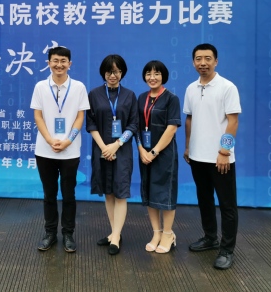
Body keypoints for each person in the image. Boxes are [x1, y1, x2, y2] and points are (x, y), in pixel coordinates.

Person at [183, 43, 241, 270]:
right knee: (204, 200)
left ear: (216, 61)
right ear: (193, 62)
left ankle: (227, 250)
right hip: (197, 157)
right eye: (198, 59)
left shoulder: (227, 87)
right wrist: (188, 147)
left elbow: (233, 121)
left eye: (208, 58)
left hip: (220, 158)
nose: (203, 63)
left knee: (227, 205)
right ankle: (210, 238)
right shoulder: (191, 88)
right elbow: (189, 119)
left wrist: (224, 152)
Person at [30, 46, 90, 253]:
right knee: (49, 194)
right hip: (44, 150)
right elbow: (38, 116)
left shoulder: (79, 87)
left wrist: (67, 141)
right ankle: (49, 233)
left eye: (63, 61)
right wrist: (49, 140)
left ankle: (68, 234)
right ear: (48, 63)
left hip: (70, 151)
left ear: (69, 64)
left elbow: (80, 117)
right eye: (55, 61)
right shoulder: (40, 87)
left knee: (68, 194)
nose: (59, 65)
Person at [86, 54, 138, 255]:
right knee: (108, 191)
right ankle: (114, 232)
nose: (112, 75)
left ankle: (116, 236)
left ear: (122, 72)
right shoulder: (94, 94)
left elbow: (133, 124)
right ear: (103, 73)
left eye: (116, 71)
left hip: (122, 151)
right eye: (109, 72)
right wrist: (104, 148)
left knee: (120, 192)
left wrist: (116, 145)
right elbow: (90, 123)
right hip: (101, 150)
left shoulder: (130, 95)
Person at [137, 60, 181, 254]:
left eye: (156, 73)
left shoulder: (171, 99)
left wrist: (154, 152)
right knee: (150, 193)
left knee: (165, 194)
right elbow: (136, 126)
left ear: (163, 76)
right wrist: (141, 149)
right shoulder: (141, 98)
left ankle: (168, 234)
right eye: (148, 73)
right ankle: (156, 233)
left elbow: (171, 128)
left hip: (164, 155)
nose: (152, 77)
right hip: (145, 154)